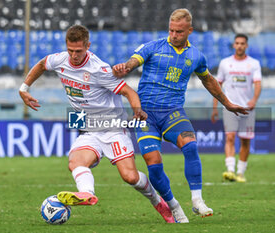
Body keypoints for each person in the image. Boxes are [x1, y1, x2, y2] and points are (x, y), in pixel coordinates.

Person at [19, 25, 176, 223]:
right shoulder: (59, 60)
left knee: (130, 177)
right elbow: (42, 64)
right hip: (89, 128)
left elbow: (129, 92)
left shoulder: (99, 69)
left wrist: (137, 110)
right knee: (75, 162)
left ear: (88, 46)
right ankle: (86, 193)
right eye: (70, 51)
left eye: (78, 51)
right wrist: (24, 88)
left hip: (113, 128)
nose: (74, 56)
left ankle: (158, 202)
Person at [112, 8, 249, 223]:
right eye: (171, 30)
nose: (174, 35)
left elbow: (208, 80)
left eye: (179, 31)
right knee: (153, 164)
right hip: (145, 114)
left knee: (191, 145)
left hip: (173, 112)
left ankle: (197, 200)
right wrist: (125, 67)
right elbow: (134, 61)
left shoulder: (196, 56)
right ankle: (174, 206)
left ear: (189, 31)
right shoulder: (153, 47)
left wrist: (227, 103)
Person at [211, 34, 262, 183]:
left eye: (242, 43)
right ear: (234, 45)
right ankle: (230, 170)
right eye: (237, 43)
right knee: (230, 137)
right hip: (230, 107)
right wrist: (215, 107)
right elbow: (216, 86)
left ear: (246, 46)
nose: (239, 46)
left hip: (247, 108)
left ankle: (240, 172)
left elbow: (258, 83)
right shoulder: (225, 63)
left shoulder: (254, 64)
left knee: (245, 141)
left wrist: (254, 100)